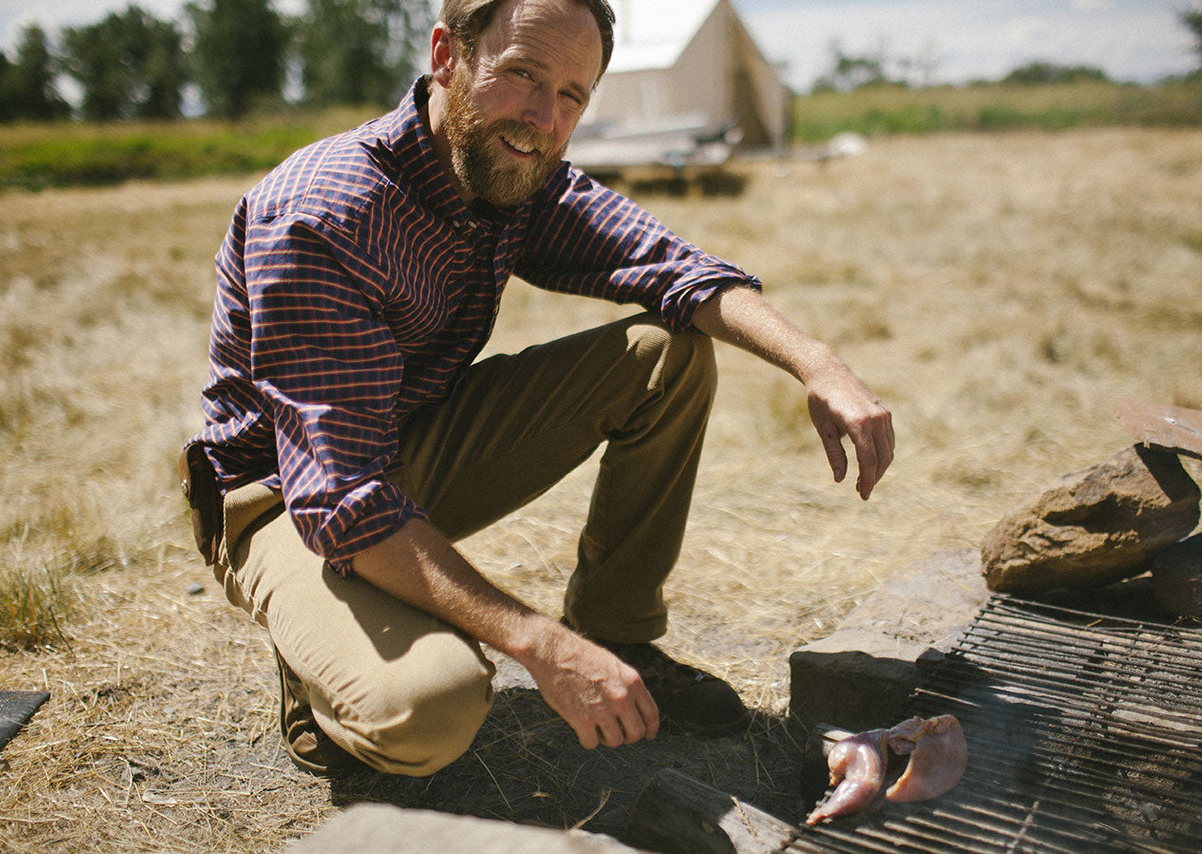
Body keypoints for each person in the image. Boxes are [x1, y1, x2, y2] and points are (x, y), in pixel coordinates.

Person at [180, 0, 894, 778]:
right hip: (284, 496)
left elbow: (673, 267)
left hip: (397, 447)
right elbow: (340, 497)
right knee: (429, 711)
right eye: (521, 74)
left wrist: (818, 363)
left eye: (571, 96)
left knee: (665, 353)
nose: (543, 118)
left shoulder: (514, 173)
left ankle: (619, 637)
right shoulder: (325, 213)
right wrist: (540, 645)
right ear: (447, 55)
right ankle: (318, 660)